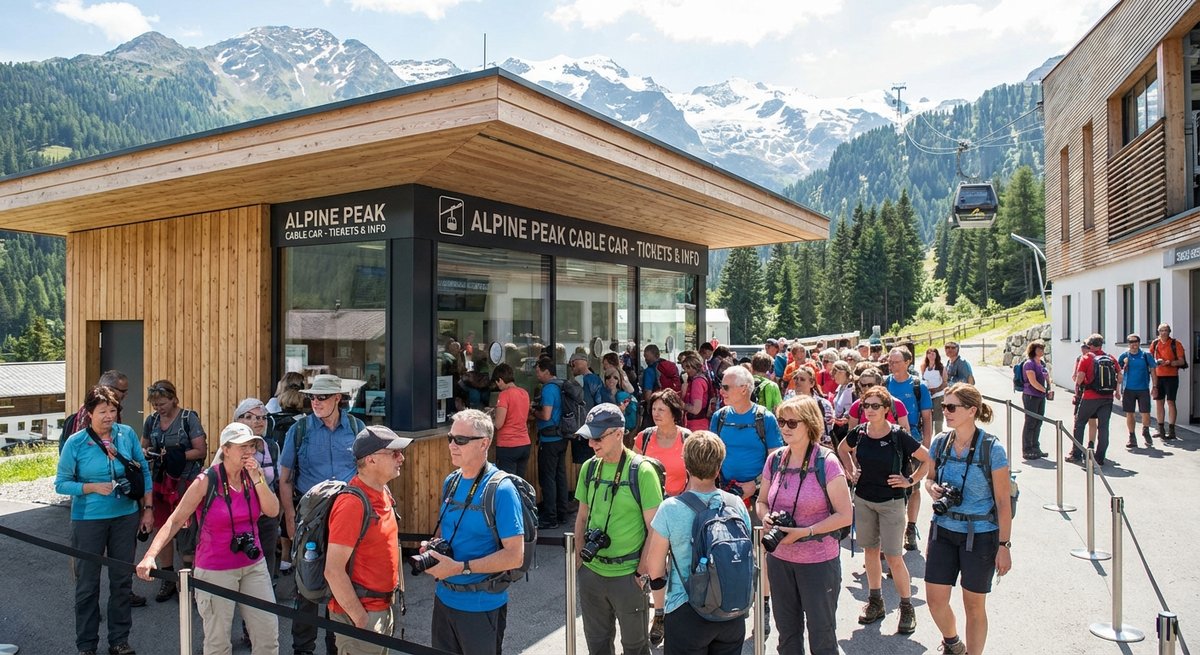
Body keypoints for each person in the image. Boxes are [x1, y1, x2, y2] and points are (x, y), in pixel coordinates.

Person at [136, 423, 281, 655]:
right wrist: (150, 555)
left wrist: (258, 478)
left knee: (267, 637)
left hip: (253, 564)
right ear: (226, 449)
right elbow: (175, 520)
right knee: (218, 643)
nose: (249, 452)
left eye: (252, 446)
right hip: (215, 569)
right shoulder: (207, 480)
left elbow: (273, 511)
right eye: (243, 446)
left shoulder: (253, 475)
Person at [56, 385, 154, 655]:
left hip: (125, 516)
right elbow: (61, 484)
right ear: (89, 413)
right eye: (103, 411)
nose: (109, 416)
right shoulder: (76, 442)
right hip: (88, 519)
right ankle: (86, 645)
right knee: (87, 585)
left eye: (113, 410)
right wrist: (90, 487)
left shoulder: (127, 434)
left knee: (122, 581)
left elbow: (143, 471)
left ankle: (119, 641)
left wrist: (147, 508)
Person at [756, 397, 853, 654]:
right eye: (781, 422)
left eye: (792, 422)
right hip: (779, 559)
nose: (784, 428)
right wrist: (766, 517)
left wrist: (807, 532)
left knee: (822, 636)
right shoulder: (775, 459)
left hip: (818, 562)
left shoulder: (827, 462)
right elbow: (761, 501)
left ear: (809, 424)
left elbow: (845, 515)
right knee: (787, 635)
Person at [641, 431, 750, 655]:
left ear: (686, 465)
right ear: (718, 467)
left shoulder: (670, 508)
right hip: (731, 609)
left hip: (686, 610)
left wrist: (660, 609)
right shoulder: (736, 504)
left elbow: (655, 568)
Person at [278, 374, 365, 655]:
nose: (315, 402)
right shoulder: (300, 429)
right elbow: (285, 478)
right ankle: (302, 649)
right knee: (306, 585)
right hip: (310, 516)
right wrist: (289, 516)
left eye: (322, 397)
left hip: (347, 514)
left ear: (338, 398)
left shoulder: (357, 428)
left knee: (342, 582)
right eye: (313, 397)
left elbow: (369, 472)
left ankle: (335, 647)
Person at [924, 384, 1013, 655]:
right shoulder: (940, 442)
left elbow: (1003, 502)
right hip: (943, 529)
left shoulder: (992, 449)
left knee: (974, 606)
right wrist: (932, 488)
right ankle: (953, 643)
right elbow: (929, 479)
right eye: (944, 406)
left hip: (980, 534)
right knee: (935, 600)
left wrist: (1004, 546)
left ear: (972, 410)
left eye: (952, 407)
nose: (946, 412)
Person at [837, 386, 931, 636]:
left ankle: (906, 607)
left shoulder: (899, 435)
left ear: (887, 409)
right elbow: (842, 449)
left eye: (875, 406)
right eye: (866, 406)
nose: (869, 410)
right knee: (870, 552)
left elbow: (927, 458)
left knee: (893, 557)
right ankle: (875, 601)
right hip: (864, 499)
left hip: (891, 503)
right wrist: (850, 470)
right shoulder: (859, 432)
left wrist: (909, 480)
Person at [574, 404, 663, 655]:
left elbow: (655, 529)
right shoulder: (589, 468)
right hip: (592, 572)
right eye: (589, 437)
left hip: (628, 575)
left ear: (618, 433)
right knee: (597, 645)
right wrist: (580, 560)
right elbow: (582, 516)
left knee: (635, 648)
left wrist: (641, 571)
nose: (591, 443)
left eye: (597, 437)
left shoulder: (642, 471)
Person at [711, 364, 783, 634]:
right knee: (726, 551)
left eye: (725, 387)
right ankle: (731, 602)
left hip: (758, 498)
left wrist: (755, 486)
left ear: (744, 389)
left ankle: (763, 606)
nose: (721, 391)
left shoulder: (765, 419)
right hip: (725, 496)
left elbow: (777, 461)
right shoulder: (719, 417)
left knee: (761, 552)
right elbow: (711, 455)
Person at [326, 426, 410, 655]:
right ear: (371, 459)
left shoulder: (384, 492)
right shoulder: (352, 504)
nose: (401, 458)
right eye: (394, 453)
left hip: (381, 610)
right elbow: (333, 570)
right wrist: (360, 618)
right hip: (363, 617)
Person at [142, 379, 208, 602]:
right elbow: (143, 446)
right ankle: (168, 577)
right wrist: (148, 452)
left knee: (187, 532)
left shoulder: (188, 418)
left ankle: (189, 582)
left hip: (185, 484)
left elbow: (200, 450)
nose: (158, 408)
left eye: (162, 403)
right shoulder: (151, 421)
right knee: (163, 529)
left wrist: (174, 456)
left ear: (173, 399)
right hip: (161, 483)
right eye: (155, 404)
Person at [884, 349, 932, 551]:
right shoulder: (884, 384)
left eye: (896, 361)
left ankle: (910, 528)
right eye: (890, 361)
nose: (892, 365)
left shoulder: (918, 386)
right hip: (887, 441)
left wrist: (927, 444)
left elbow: (927, 417)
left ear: (907, 362)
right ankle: (891, 531)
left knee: (913, 486)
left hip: (912, 440)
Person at [232, 399, 282, 579]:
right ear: (238, 420)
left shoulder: (272, 447)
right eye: (249, 417)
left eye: (262, 417)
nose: (258, 421)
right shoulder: (231, 448)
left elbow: (277, 480)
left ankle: (267, 592)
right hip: (239, 514)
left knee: (267, 556)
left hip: (266, 515)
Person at [1069, 334, 1121, 466]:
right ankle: (1100, 458)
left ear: (1090, 345)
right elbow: (1119, 376)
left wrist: (1078, 386)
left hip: (1090, 396)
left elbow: (1080, 378)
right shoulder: (1110, 357)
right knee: (1103, 427)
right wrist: (1117, 390)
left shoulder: (1086, 358)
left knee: (1080, 423)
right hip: (1107, 397)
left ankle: (1076, 454)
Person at [535, 357, 569, 530]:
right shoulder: (561, 385)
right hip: (562, 436)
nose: (537, 375)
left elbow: (546, 415)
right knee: (560, 476)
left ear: (546, 371)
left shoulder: (548, 389)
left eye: (538, 371)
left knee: (547, 478)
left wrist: (534, 412)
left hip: (549, 439)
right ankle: (562, 513)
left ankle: (550, 517)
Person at [61, 370, 130, 454]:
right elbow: (83, 444)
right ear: (108, 389)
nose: (126, 394)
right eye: (123, 391)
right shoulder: (89, 410)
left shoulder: (115, 408)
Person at [490, 363, 532, 480]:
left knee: (507, 483)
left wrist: (491, 418)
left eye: (497, 382)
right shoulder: (524, 393)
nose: (497, 386)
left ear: (500, 380)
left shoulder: (504, 395)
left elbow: (499, 424)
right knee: (519, 482)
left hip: (508, 445)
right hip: (524, 443)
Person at [1149, 323, 1187, 440]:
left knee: (1171, 402)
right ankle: (1160, 429)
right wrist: (1157, 362)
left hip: (1171, 377)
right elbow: (1150, 359)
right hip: (1158, 376)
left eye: (1166, 330)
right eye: (1161, 331)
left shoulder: (1176, 344)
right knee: (1159, 402)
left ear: (1169, 332)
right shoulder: (1155, 343)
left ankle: (1171, 430)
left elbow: (1181, 361)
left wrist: (1170, 363)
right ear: (1158, 332)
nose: (1163, 333)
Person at [1118, 334, 1156, 449]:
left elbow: (1153, 371)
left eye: (1136, 341)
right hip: (1128, 389)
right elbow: (1118, 373)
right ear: (1128, 344)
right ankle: (1132, 436)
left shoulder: (1146, 355)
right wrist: (1117, 389)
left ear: (1139, 343)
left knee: (1145, 412)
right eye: (1131, 342)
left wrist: (1155, 386)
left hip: (1143, 388)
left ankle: (1146, 430)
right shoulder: (1124, 356)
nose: (1134, 344)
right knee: (1130, 413)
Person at [1020, 341, 1052, 460]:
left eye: (1042, 349)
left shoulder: (1041, 364)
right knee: (1030, 422)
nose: (1042, 351)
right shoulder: (1029, 364)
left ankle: (1035, 447)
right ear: (1033, 350)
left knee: (1038, 422)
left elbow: (1046, 378)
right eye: (1039, 349)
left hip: (1040, 396)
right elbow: (1032, 381)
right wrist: (1045, 390)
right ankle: (1027, 449)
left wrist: (1048, 387)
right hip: (1031, 396)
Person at [784, 367, 833, 441]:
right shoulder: (787, 401)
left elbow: (827, 430)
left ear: (812, 383)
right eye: (796, 378)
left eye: (802, 379)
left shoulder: (823, 404)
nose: (797, 382)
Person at [598, 367, 638, 434]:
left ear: (619, 380)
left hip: (624, 428)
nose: (611, 380)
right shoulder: (600, 393)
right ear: (605, 379)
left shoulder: (623, 395)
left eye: (615, 378)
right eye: (608, 377)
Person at [679, 352, 711, 432]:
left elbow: (696, 409)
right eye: (684, 368)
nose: (686, 371)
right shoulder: (703, 377)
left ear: (695, 367)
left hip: (696, 424)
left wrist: (681, 404)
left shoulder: (697, 382)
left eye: (688, 368)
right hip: (702, 423)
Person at [921, 348, 947, 433]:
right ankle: (929, 436)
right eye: (929, 353)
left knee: (938, 417)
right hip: (927, 395)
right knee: (928, 417)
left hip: (938, 395)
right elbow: (923, 380)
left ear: (936, 355)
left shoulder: (941, 367)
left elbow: (945, 383)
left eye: (933, 354)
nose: (931, 355)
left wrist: (936, 390)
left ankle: (938, 435)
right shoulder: (924, 367)